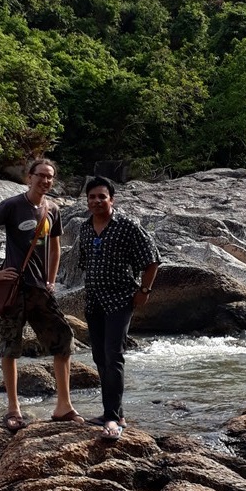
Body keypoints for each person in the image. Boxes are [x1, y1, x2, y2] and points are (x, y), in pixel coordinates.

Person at [0, 158, 81, 431]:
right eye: (41, 175)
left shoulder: (52, 209)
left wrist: (52, 280)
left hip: (40, 290)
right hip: (14, 288)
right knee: (10, 347)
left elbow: (55, 247)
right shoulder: (11, 205)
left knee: (63, 340)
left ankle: (63, 406)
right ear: (28, 177)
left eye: (50, 177)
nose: (46, 181)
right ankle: (13, 409)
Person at [78, 176, 161, 440]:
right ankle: (114, 412)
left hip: (120, 300)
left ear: (111, 199)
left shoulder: (127, 226)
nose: (96, 201)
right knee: (100, 358)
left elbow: (152, 259)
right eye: (92, 197)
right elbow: (84, 262)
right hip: (94, 301)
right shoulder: (85, 228)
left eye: (101, 197)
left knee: (113, 355)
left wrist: (144, 291)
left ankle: (113, 420)